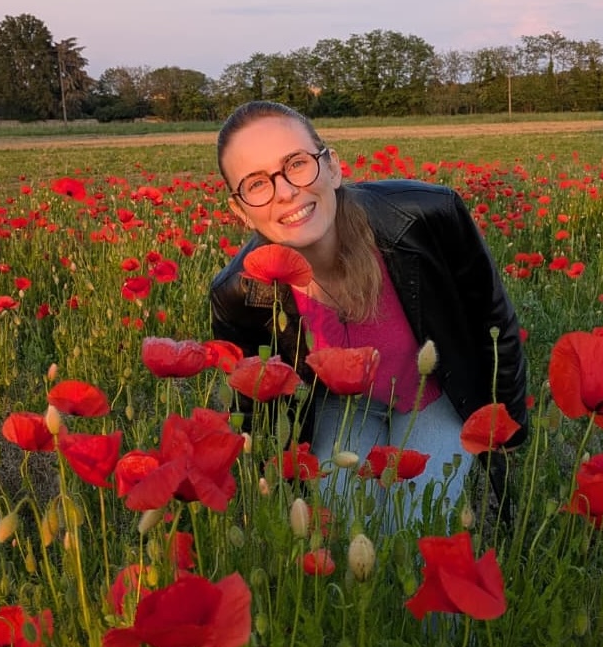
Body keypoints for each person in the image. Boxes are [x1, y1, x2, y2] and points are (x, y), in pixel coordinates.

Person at [209, 101, 527, 525]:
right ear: (239, 209)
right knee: (344, 525)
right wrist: (269, 480)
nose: (285, 191)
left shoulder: (426, 217)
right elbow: (253, 397)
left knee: (413, 528)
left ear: (333, 167)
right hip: (343, 407)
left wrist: (508, 426)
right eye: (256, 184)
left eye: (297, 164)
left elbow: (494, 321)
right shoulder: (238, 293)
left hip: (431, 394)